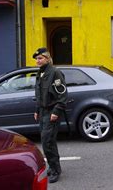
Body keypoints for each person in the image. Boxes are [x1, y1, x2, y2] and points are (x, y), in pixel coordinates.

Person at [33, 48, 67, 184]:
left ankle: (55, 170)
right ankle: (54, 166)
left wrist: (56, 112)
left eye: (40, 58)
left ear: (47, 58)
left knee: (47, 141)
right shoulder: (40, 73)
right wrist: (36, 110)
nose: (37, 61)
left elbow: (62, 95)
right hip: (42, 112)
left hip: (52, 112)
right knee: (48, 141)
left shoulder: (55, 73)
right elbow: (39, 95)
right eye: (36, 59)